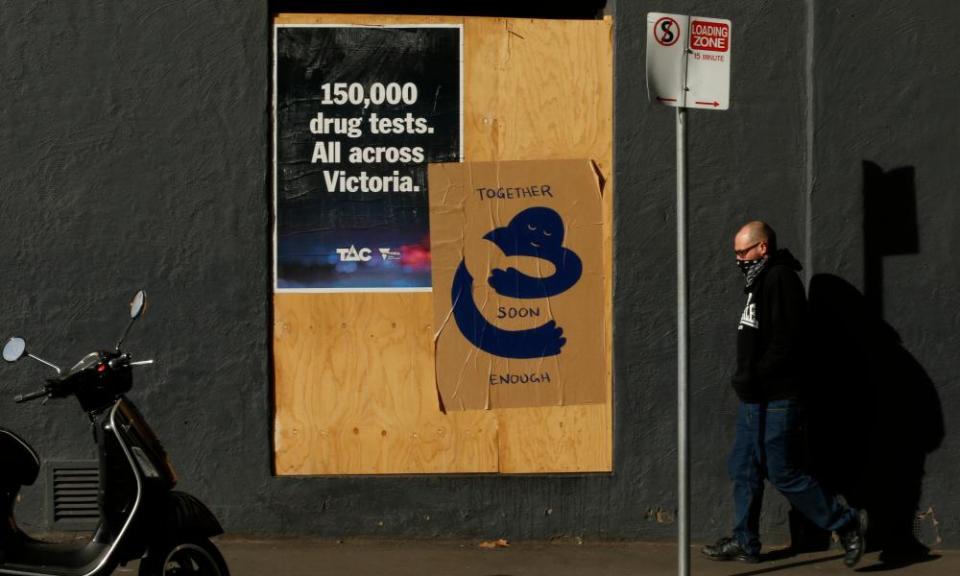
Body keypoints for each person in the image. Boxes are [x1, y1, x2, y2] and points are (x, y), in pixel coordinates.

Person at [701, 221, 867, 567]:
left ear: (762, 248)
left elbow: (787, 342)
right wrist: (747, 381)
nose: (738, 259)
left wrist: (756, 375)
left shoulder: (780, 279)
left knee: (783, 472)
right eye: (735, 253)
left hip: (777, 398)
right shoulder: (758, 280)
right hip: (754, 398)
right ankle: (746, 542)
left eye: (743, 252)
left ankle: (846, 523)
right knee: (744, 468)